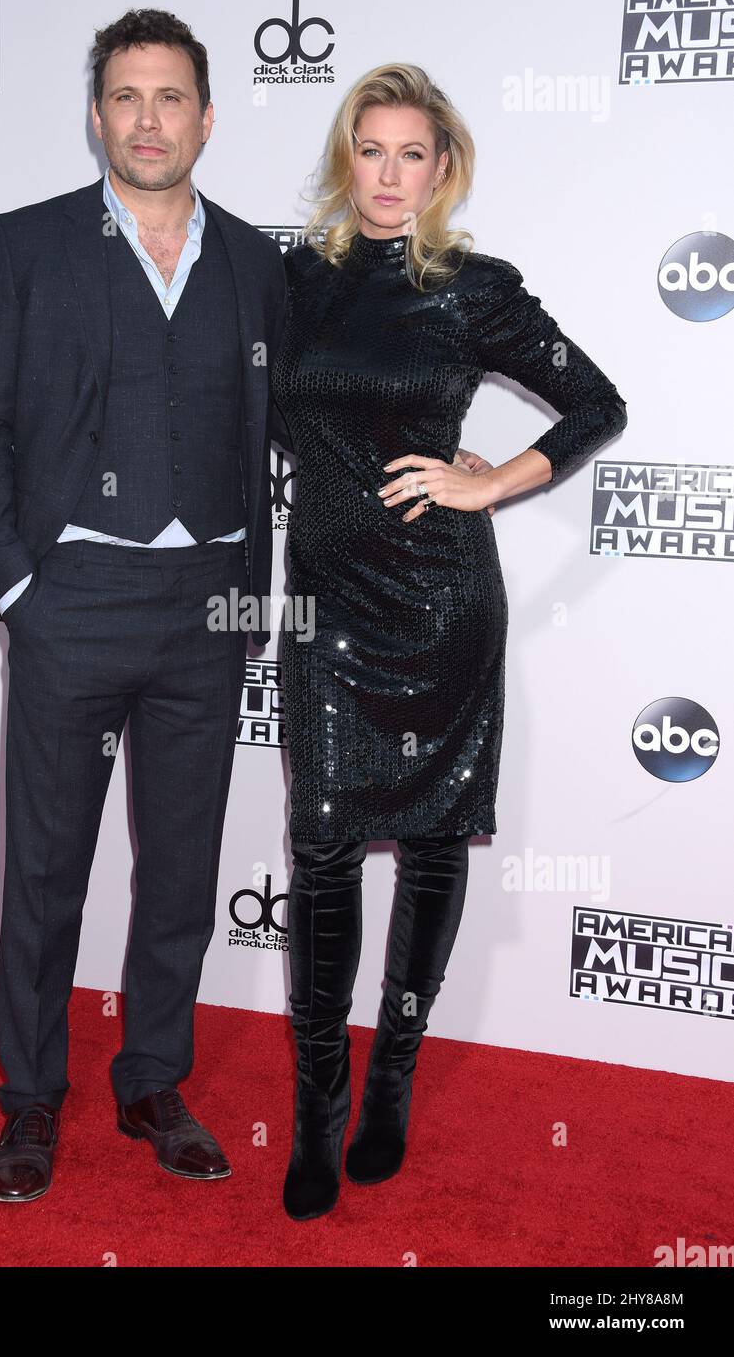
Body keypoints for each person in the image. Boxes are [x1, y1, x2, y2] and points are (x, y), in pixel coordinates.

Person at [268, 62, 628, 1221]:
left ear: (441, 169)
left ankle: (391, 1085)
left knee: (429, 845)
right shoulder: (290, 284)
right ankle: (316, 1107)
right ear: (346, 160)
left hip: (439, 607)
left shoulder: (475, 291)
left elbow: (595, 406)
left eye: (409, 154)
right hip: (326, 604)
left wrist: (490, 486)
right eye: (369, 150)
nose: (387, 174)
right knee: (321, 844)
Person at [0, 9, 288, 1201]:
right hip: (75, 595)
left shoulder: (257, 262)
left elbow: (281, 430)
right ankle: (31, 1099)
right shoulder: (30, 243)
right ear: (98, 116)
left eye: (172, 97)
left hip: (207, 599)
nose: (150, 120)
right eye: (128, 98)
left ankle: (153, 1079)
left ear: (206, 115)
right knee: (48, 867)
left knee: (183, 867)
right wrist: (22, 580)